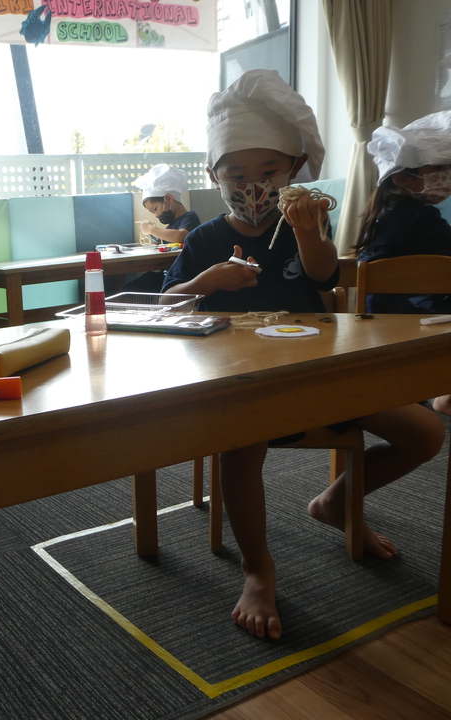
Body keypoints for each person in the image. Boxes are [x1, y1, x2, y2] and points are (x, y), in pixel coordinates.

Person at [162, 69, 445, 641]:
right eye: (237, 175)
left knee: (425, 433)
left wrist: (309, 230)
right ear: (214, 177)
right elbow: (165, 303)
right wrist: (206, 281)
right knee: (240, 447)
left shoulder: (306, 222)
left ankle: (336, 502)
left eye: (269, 172)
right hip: (241, 382)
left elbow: (322, 276)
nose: (254, 186)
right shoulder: (203, 239)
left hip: (319, 374)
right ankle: (257, 568)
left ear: (292, 171)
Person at [353, 110, 451, 316]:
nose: (446, 176)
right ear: (401, 178)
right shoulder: (421, 217)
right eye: (438, 168)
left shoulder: (384, 210)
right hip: (409, 314)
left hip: (376, 310)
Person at [134, 163, 201, 245]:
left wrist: (151, 229)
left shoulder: (190, 218)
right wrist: (156, 241)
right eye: (153, 212)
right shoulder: (170, 227)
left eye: (155, 209)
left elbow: (180, 236)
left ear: (168, 198)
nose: (156, 215)